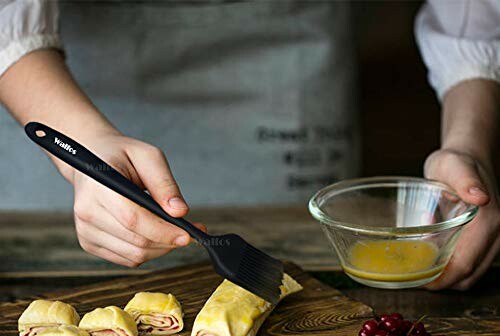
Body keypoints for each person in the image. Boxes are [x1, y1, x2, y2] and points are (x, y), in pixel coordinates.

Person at [0, 0, 498, 290]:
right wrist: (84, 145)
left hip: (286, 68)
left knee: (301, 276)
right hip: (59, 86)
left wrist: (467, 146)